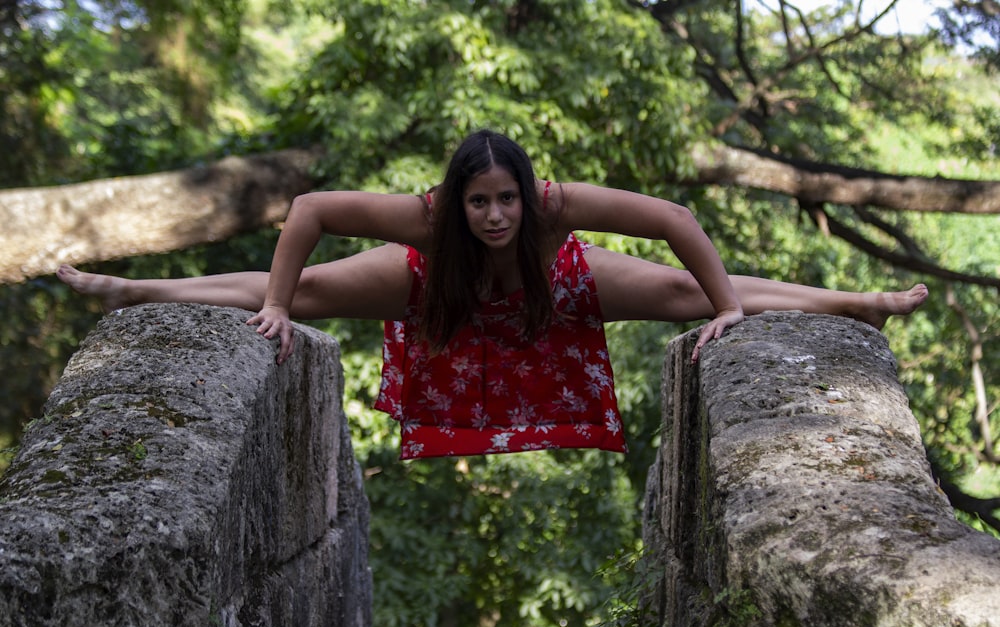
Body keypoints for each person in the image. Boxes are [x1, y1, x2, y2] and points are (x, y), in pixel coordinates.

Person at [57, 129, 928, 459]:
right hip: (440, 290)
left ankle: (850, 302)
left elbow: (672, 217)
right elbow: (311, 211)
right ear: (455, 200)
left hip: (557, 290)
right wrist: (277, 306)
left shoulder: (553, 212)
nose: (495, 213)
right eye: (479, 201)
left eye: (505, 197)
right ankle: (134, 288)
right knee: (311, 288)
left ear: (527, 191)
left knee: (687, 291)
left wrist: (730, 308)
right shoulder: (429, 221)